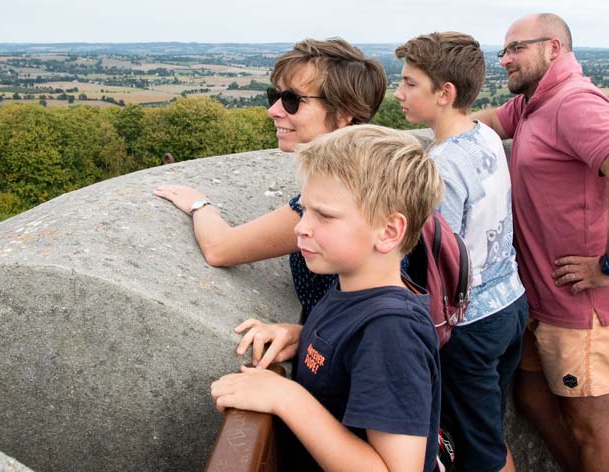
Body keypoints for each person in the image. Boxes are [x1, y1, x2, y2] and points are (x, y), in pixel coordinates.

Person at [475, 13, 609, 472]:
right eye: (503, 51)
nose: (505, 60)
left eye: (516, 48)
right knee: (533, 397)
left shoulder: (575, 103)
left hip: (585, 307)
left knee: (590, 429)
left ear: (553, 48)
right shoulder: (535, 102)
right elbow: (483, 123)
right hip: (544, 302)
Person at [210, 125, 443, 472]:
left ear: (389, 231)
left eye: (325, 215)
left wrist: (286, 397)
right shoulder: (353, 288)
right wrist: (303, 336)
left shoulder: (392, 331)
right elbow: (353, 355)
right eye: (305, 211)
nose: (301, 227)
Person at [154, 38, 386, 320]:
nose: (273, 110)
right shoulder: (371, 169)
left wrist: (201, 206)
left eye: (291, 100)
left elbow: (219, 249)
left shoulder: (341, 192)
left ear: (343, 115)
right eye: (273, 96)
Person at [393, 32, 527, 472]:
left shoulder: (440, 167)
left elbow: (438, 261)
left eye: (411, 83)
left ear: (445, 93)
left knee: (481, 453)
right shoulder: (484, 135)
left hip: (469, 326)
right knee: (486, 433)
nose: (399, 93)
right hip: (510, 304)